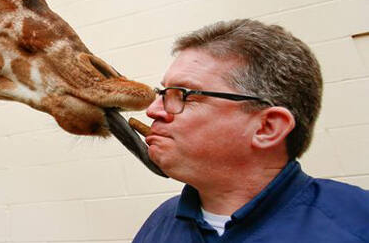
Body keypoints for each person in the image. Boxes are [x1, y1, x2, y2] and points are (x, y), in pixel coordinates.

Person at [134, 19, 369, 242]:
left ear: (267, 128)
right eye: (163, 93)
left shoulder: (357, 224)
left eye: (183, 95)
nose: (153, 110)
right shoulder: (159, 225)